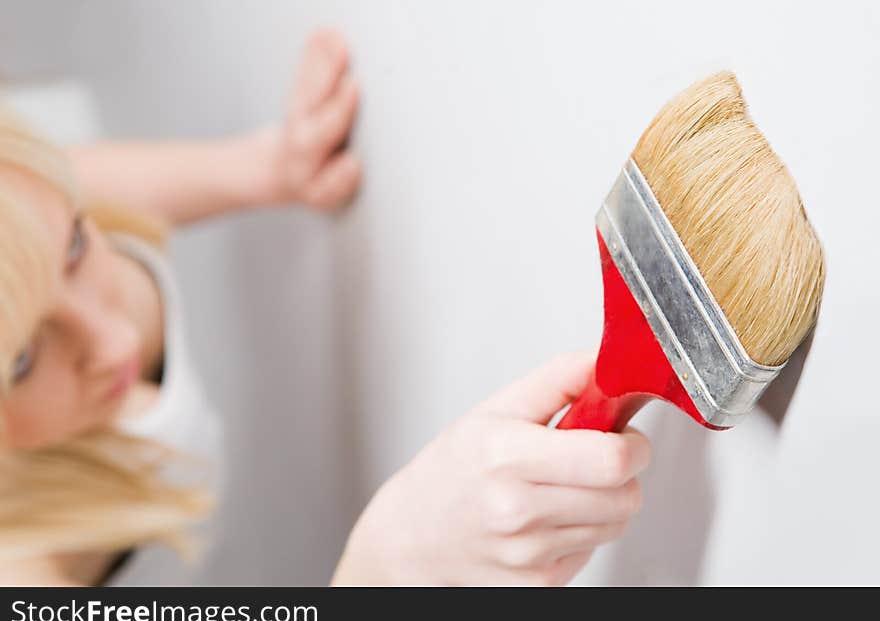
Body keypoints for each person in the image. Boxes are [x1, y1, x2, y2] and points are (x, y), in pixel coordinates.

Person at [0, 29, 650, 586]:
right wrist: (387, 566)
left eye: (78, 245)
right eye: (23, 357)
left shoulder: (33, 224)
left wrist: (267, 167)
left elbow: (61, 181)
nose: (112, 341)